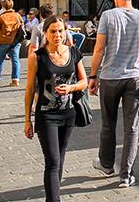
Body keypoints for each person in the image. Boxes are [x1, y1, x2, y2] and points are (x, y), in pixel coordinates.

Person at [88, 0, 139, 188]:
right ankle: (126, 174)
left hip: (109, 76)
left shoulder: (107, 16)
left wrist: (92, 76)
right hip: (134, 77)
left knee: (108, 123)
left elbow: (99, 49)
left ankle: (107, 164)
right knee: (132, 127)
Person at [24, 15, 87, 202]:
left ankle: (54, 194)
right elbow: (29, 89)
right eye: (53, 31)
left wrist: (71, 88)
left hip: (68, 113)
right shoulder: (37, 56)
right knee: (52, 161)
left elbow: (84, 81)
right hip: (46, 114)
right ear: (45, 33)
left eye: (60, 31)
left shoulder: (74, 53)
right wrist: (27, 119)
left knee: (60, 158)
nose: (57, 35)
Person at [0, 0, 25, 86]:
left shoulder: (1, 17)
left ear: (3, 6)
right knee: (15, 60)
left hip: (3, 41)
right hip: (15, 41)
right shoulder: (17, 15)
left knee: (0, 60)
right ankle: (15, 79)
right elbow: (22, 25)